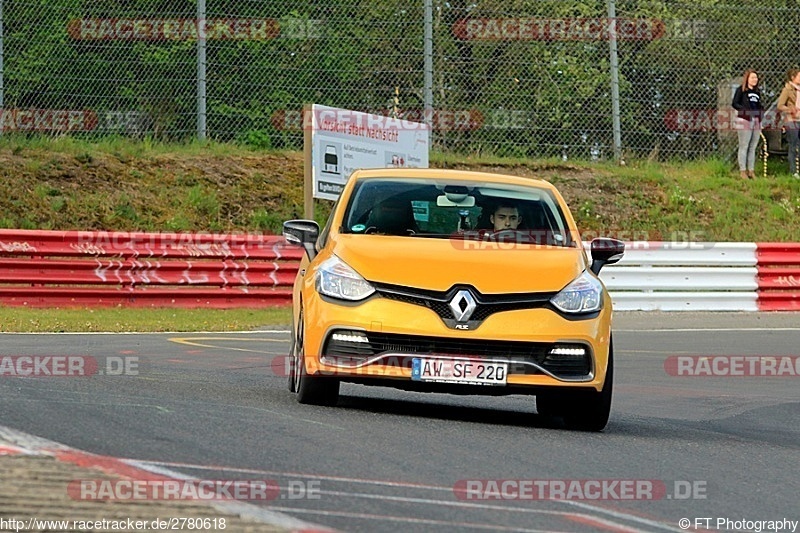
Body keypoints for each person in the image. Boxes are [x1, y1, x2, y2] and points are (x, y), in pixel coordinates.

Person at [731, 69, 764, 179]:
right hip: (745, 120)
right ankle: (743, 171)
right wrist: (745, 111)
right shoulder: (741, 90)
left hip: (756, 121)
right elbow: (735, 103)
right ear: (747, 79)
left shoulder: (757, 92)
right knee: (744, 145)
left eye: (756, 78)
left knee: (753, 146)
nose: (755, 80)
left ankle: (751, 170)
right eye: (752, 78)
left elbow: (759, 105)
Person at [777, 68, 800, 178]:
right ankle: (793, 171)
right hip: (791, 120)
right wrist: (790, 110)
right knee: (793, 145)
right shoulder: (787, 89)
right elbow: (780, 105)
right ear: (793, 77)